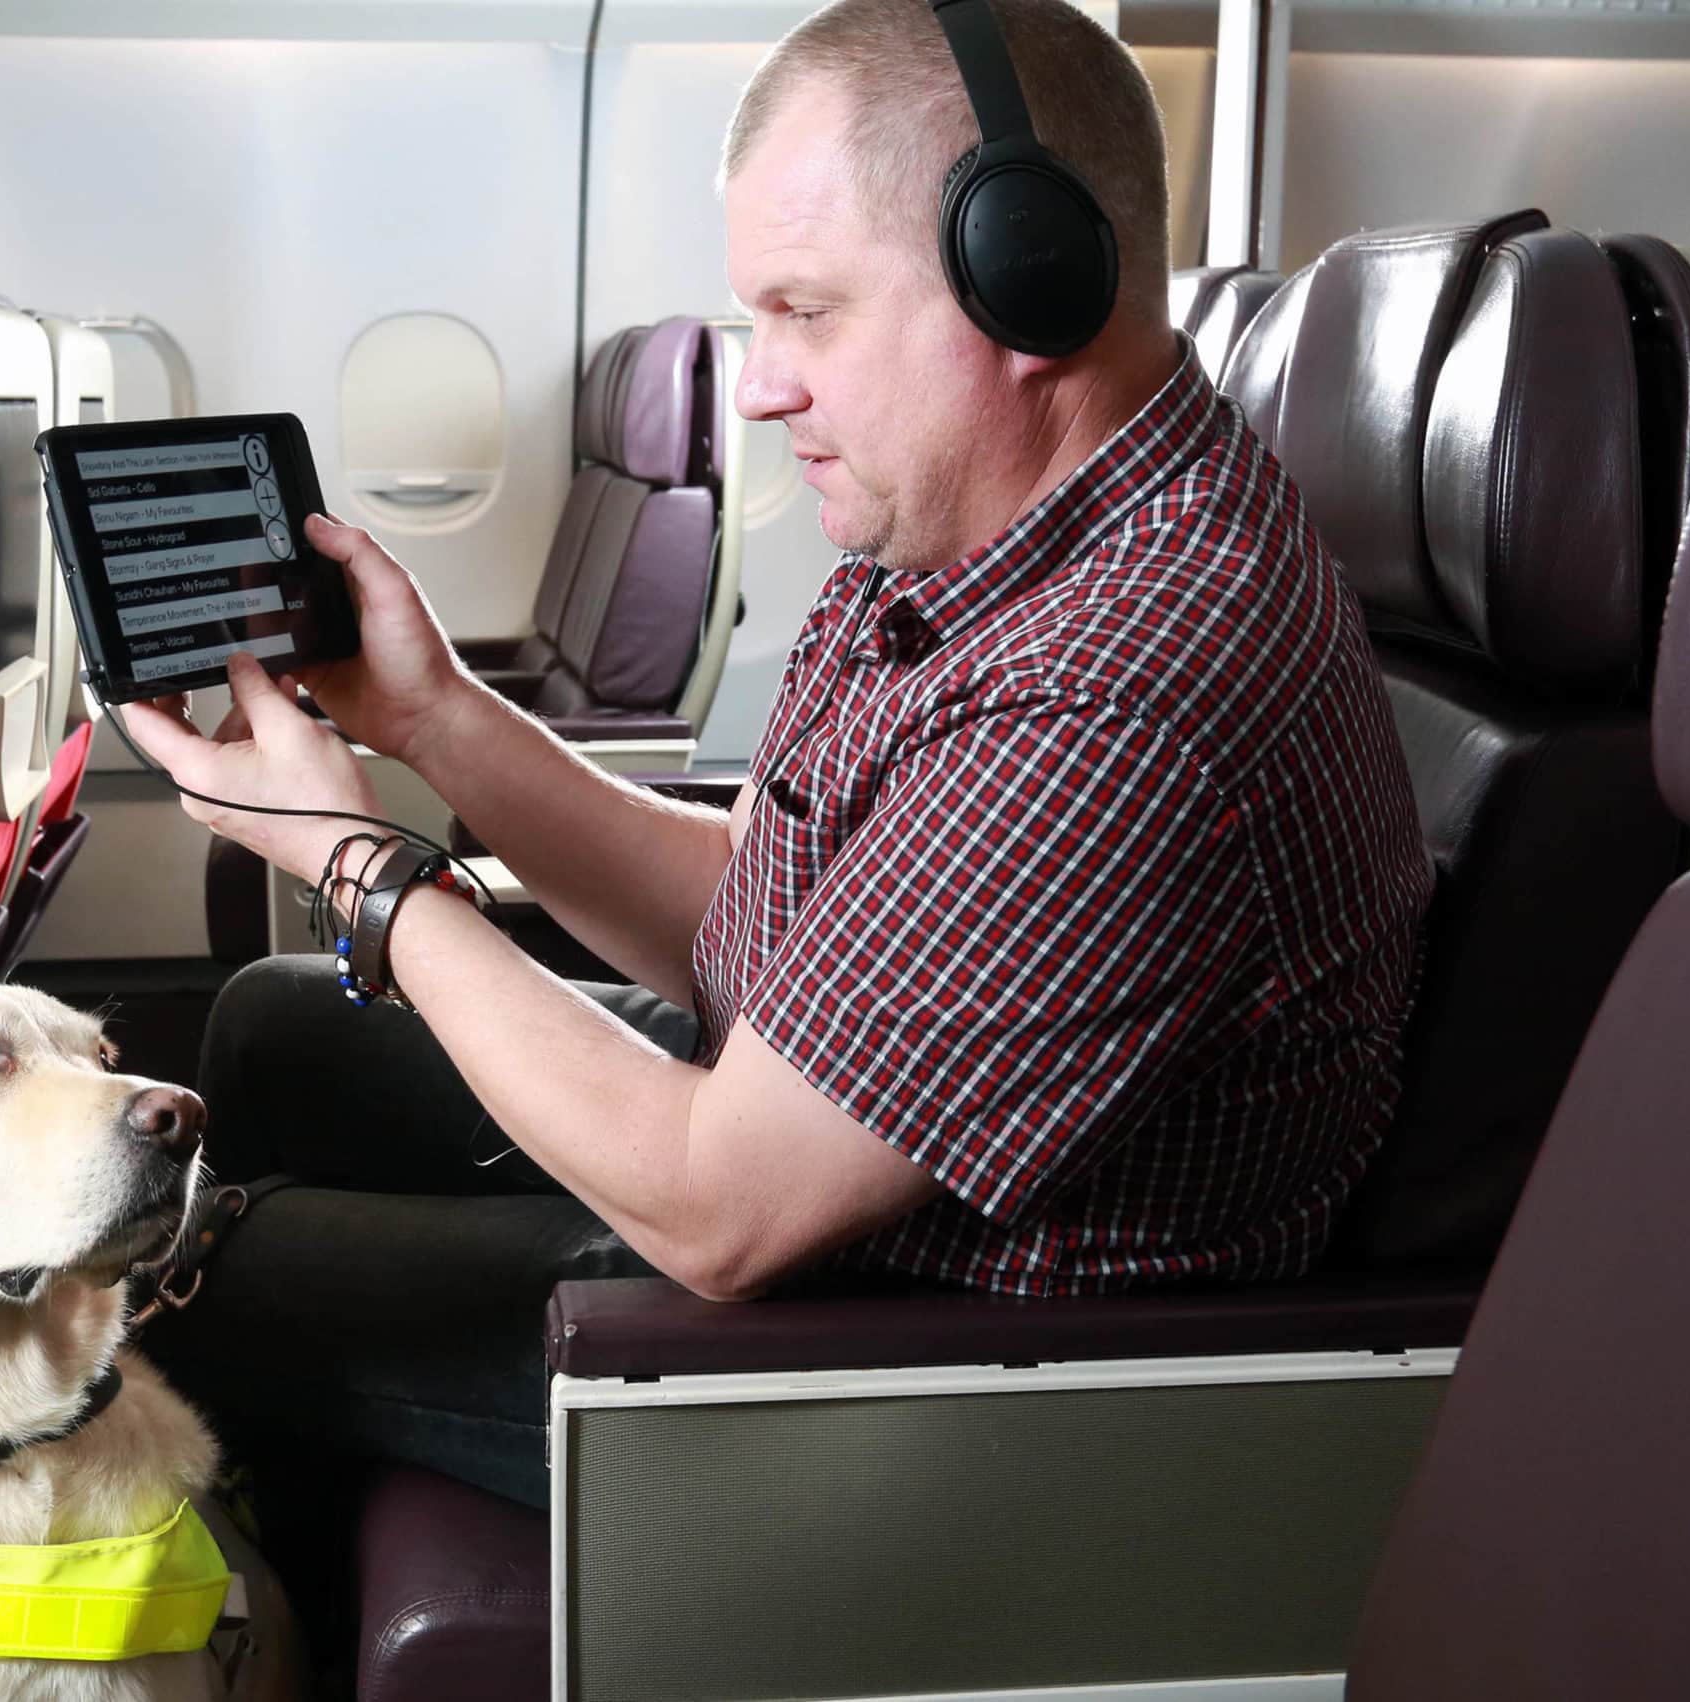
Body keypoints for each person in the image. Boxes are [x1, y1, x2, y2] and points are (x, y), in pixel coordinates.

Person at [130, 0, 1432, 1524]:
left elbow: (718, 1209)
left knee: (193, 1275)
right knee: (279, 1030)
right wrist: (430, 720)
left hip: (921, 1372)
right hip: (830, 1176)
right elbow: (744, 903)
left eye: (807, 311)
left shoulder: (1123, 680)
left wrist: (361, 864)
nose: (758, 383)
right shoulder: (968, 530)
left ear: (1033, 277)